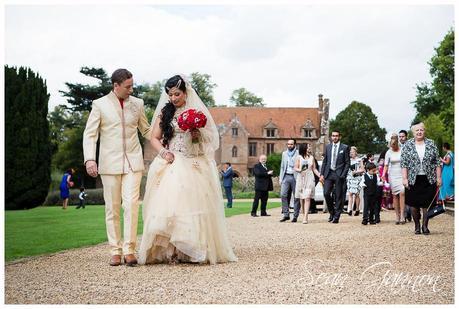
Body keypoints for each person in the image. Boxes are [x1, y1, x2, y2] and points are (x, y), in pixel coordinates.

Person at [138, 75, 237, 265]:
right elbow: (154, 138)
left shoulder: (197, 113)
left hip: (193, 161)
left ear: (185, 93)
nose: (173, 98)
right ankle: (172, 250)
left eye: (177, 94)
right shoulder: (164, 114)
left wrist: (196, 134)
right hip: (172, 160)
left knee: (193, 205)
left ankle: (191, 250)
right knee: (172, 203)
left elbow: (206, 142)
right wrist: (164, 152)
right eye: (170, 94)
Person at [83, 68, 152, 267]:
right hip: (109, 163)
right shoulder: (99, 105)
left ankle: (130, 250)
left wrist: (166, 137)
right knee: (112, 208)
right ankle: (115, 250)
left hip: (133, 161)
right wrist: (90, 159)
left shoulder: (138, 104)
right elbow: (90, 134)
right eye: (128, 86)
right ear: (116, 86)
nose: (132, 89)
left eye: (132, 85)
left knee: (131, 204)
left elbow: (146, 129)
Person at [401, 122, 442, 235]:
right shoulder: (407, 145)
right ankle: (416, 225)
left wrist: (439, 177)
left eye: (421, 130)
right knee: (414, 205)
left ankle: (425, 225)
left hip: (428, 178)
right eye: (417, 130)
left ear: (424, 131)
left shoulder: (431, 143)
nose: (419, 132)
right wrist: (404, 178)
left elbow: (437, 162)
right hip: (413, 179)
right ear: (413, 132)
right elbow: (404, 163)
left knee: (426, 204)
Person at [319, 130, 350, 223]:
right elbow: (325, 162)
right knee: (326, 193)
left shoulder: (344, 147)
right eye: (333, 136)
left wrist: (343, 175)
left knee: (338, 196)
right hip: (329, 173)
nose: (334, 137)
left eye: (336, 136)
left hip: (339, 174)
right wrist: (322, 174)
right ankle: (332, 212)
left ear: (339, 137)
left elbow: (347, 163)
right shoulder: (328, 147)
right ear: (331, 137)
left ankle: (337, 216)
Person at [382, 135, 406, 224]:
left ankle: (403, 214)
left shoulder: (403, 150)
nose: (393, 147)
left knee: (402, 192)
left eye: (394, 145)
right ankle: (397, 216)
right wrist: (383, 175)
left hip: (402, 173)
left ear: (397, 143)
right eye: (392, 145)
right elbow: (386, 165)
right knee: (395, 195)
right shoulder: (388, 152)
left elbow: (406, 163)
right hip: (392, 174)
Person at [294, 144, 320, 223]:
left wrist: (320, 175)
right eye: (308, 146)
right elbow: (295, 167)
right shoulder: (299, 157)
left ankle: (305, 217)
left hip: (310, 178)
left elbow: (314, 169)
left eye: (310, 146)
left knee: (307, 197)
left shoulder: (312, 158)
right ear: (304, 148)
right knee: (302, 198)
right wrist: (300, 170)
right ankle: (303, 213)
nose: (309, 148)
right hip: (301, 178)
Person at [279, 139, 300, 222]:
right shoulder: (284, 154)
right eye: (288, 144)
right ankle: (286, 214)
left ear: (295, 144)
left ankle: (295, 215)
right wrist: (281, 178)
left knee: (296, 197)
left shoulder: (298, 153)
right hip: (286, 176)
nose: (289, 145)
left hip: (296, 177)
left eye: (291, 144)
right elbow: (282, 166)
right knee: (283, 195)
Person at [346, 146, 364, 216]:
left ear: (355, 152)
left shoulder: (359, 160)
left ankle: (357, 209)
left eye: (352, 152)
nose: (351, 153)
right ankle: (350, 209)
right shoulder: (348, 160)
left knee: (356, 194)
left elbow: (363, 170)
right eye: (350, 152)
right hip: (350, 178)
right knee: (350, 193)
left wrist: (356, 172)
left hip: (357, 178)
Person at [399, 129, 411, 221]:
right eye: (400, 136)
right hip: (399, 173)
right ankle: (405, 213)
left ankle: (410, 212)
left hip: (409, 172)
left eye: (402, 136)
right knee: (402, 193)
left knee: (409, 192)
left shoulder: (410, 145)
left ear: (406, 136)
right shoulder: (397, 147)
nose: (401, 138)